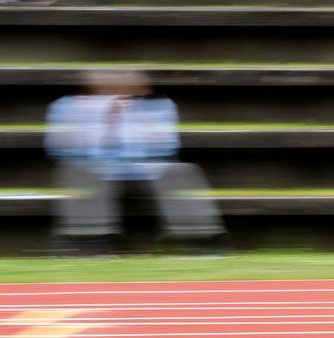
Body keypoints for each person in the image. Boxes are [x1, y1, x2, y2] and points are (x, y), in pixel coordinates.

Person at [46, 70, 226, 253]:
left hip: (147, 169)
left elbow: (167, 147)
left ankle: (198, 240)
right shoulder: (68, 106)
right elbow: (58, 148)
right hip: (94, 168)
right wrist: (101, 126)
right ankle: (88, 242)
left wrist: (137, 118)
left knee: (183, 171)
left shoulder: (159, 106)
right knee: (79, 171)